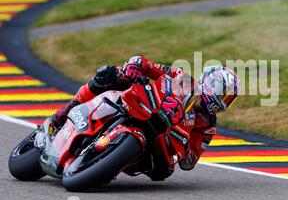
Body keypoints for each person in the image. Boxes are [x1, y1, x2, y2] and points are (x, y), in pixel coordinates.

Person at [49, 56, 239, 180]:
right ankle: (65, 112)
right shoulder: (181, 78)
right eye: (222, 94)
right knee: (109, 75)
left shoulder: (207, 125)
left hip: (161, 142)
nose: (222, 101)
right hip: (144, 107)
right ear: (209, 83)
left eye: (228, 99)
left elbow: (189, 162)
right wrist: (134, 68)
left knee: (162, 172)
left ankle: (109, 161)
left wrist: (183, 145)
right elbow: (147, 65)